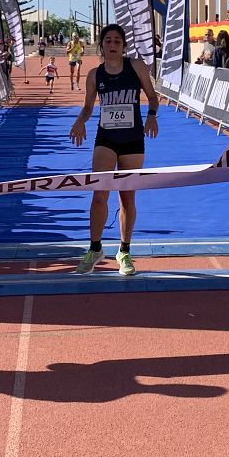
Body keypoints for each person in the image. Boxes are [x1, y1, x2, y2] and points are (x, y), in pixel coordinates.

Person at [69, 24, 159, 277]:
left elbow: (153, 97)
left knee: (127, 197)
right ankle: (95, 248)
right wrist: (79, 121)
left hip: (132, 139)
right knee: (100, 194)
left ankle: (125, 251)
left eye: (117, 41)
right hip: (106, 138)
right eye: (108, 40)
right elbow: (88, 107)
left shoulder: (136, 67)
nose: (112, 44)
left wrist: (152, 116)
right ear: (102, 45)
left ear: (123, 45)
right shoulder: (94, 75)